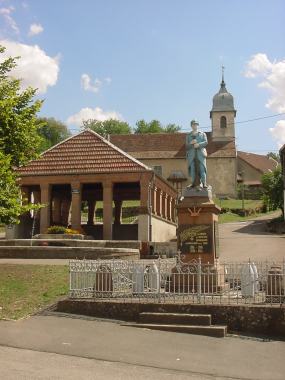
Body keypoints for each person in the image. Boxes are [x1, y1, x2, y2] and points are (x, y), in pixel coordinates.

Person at [186, 120, 208, 188]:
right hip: (191, 155)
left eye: (196, 124)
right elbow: (186, 146)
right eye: (193, 124)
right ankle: (192, 183)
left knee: (202, 168)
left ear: (197, 125)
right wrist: (190, 143)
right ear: (191, 126)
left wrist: (198, 144)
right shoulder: (188, 135)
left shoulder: (202, 134)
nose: (194, 126)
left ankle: (204, 183)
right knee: (192, 169)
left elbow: (206, 142)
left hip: (200, 154)